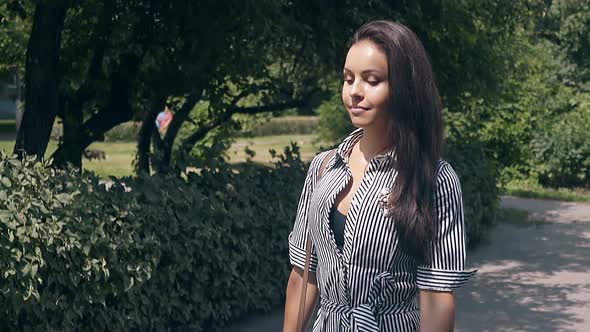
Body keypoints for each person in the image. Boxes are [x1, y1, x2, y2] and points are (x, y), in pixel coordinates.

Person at [283, 20, 476, 332]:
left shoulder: (433, 179)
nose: (354, 92)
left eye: (371, 80)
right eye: (348, 79)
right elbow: (304, 274)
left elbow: (437, 297)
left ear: (404, 88)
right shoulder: (322, 167)